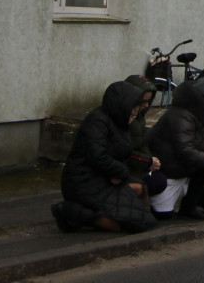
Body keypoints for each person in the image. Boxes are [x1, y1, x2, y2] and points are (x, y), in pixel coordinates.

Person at [51, 81, 158, 233]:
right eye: (134, 108)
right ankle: (71, 212)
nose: (136, 113)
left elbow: (123, 152)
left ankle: (139, 217)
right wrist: (120, 172)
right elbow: (98, 156)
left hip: (105, 178)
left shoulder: (120, 122)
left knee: (140, 192)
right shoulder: (97, 121)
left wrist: (122, 172)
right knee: (120, 226)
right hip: (83, 181)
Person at [147, 77, 204, 220]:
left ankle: (189, 206)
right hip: (171, 169)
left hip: (188, 168)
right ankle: (183, 201)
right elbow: (184, 151)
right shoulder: (180, 115)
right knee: (163, 216)